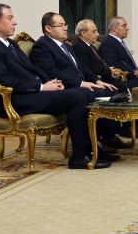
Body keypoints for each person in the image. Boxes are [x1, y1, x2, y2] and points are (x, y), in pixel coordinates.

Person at [0, 3, 111, 169]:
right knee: (78, 96)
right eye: (10, 18)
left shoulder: (11, 44)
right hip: (8, 100)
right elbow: (2, 79)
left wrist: (50, 83)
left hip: (28, 93)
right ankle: (80, 157)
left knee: (86, 93)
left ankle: (92, 149)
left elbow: (33, 69)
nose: (15, 22)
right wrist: (41, 87)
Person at [29, 13, 130, 154]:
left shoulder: (67, 46)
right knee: (98, 94)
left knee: (110, 90)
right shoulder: (42, 46)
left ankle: (107, 136)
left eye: (65, 25)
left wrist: (97, 80)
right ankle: (96, 142)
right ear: (48, 28)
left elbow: (82, 68)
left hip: (78, 84)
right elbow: (51, 72)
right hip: (65, 87)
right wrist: (81, 83)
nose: (66, 28)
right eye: (61, 25)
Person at [72, 19, 138, 138]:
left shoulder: (91, 47)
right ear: (83, 33)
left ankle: (129, 125)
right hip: (95, 82)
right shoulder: (79, 47)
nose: (97, 34)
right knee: (125, 88)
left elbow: (100, 65)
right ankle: (119, 130)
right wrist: (109, 72)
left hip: (105, 79)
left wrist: (111, 70)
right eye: (94, 32)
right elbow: (85, 69)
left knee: (128, 87)